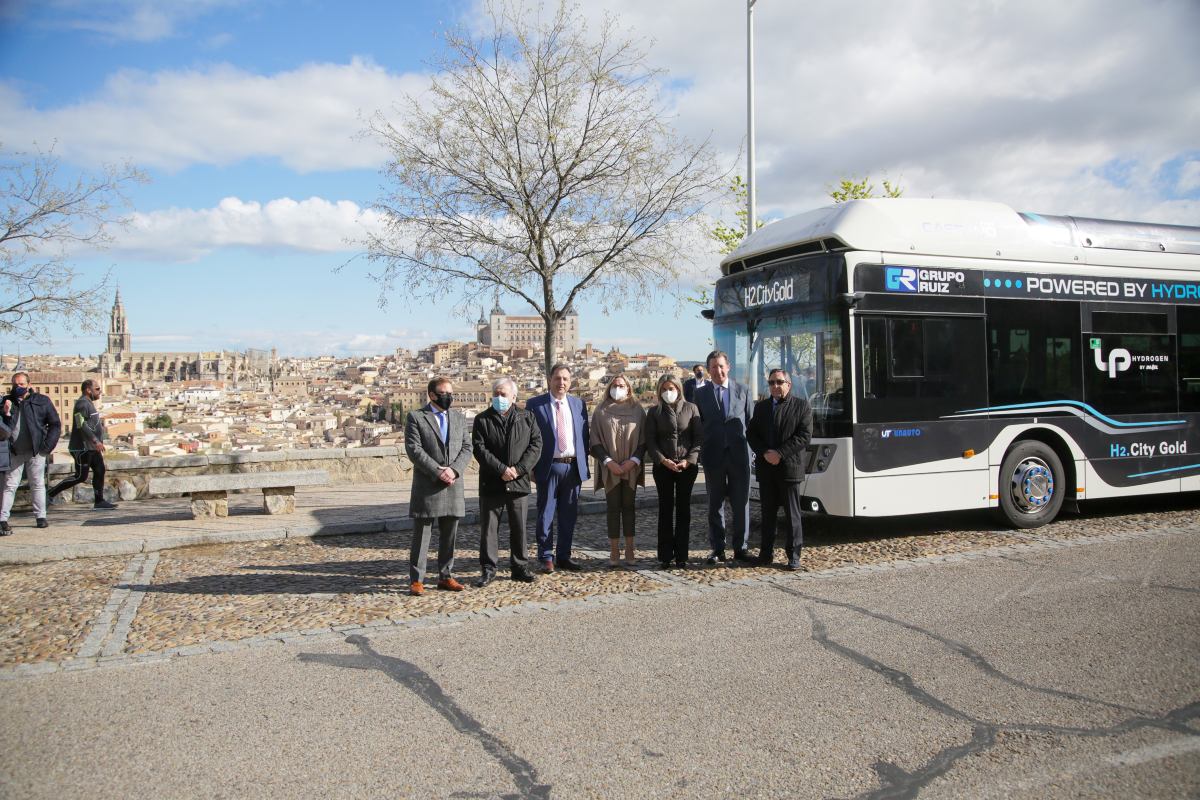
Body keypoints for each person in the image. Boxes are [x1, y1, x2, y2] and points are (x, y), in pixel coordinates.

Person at [404, 376, 472, 596]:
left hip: (453, 483)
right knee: (422, 534)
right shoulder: (416, 417)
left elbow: (467, 447)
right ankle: (417, 579)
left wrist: (454, 470)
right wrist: (438, 471)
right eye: (444, 393)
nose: (449, 397)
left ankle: (446, 576)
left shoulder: (459, 418)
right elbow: (414, 450)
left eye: (451, 393)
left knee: (449, 534)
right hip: (428, 484)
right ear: (432, 395)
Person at [471, 377, 541, 586]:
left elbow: (536, 445)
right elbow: (479, 449)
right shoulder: (482, 419)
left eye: (503, 394)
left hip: (518, 484)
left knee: (518, 527)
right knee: (489, 529)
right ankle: (489, 569)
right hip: (492, 482)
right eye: (496, 394)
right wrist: (501, 470)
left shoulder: (527, 417)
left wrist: (518, 470)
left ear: (514, 396)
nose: (499, 397)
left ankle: (519, 567)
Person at [747, 369, 813, 571]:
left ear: (788, 384)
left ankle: (794, 555)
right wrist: (765, 452)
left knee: (792, 515)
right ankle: (765, 553)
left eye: (779, 382)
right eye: (771, 382)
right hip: (767, 469)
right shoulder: (762, 407)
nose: (775, 386)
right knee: (767, 514)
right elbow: (751, 433)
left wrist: (780, 454)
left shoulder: (801, 406)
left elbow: (803, 436)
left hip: (789, 469)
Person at [526, 363, 590, 572]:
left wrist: (583, 462)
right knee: (545, 514)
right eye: (557, 378)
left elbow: (584, 436)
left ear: (570, 382)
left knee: (568, 515)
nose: (561, 382)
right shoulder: (535, 405)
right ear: (549, 380)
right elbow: (528, 438)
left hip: (572, 467)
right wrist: (530, 469)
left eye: (565, 379)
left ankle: (564, 555)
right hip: (548, 467)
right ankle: (545, 556)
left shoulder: (579, 405)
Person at [692, 351, 753, 565]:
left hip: (740, 457)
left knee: (741, 503)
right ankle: (718, 548)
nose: (717, 371)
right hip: (713, 456)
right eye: (713, 367)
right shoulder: (700, 395)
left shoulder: (743, 390)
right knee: (714, 504)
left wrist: (752, 454)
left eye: (720, 366)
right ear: (708, 371)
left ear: (728, 367)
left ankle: (741, 548)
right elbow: (698, 427)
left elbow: (751, 424)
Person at [645, 374, 702, 568]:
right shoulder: (654, 412)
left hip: (686, 467)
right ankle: (665, 555)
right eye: (664, 389)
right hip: (663, 468)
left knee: (684, 510)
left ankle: (682, 555)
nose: (668, 392)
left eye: (671, 388)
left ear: (678, 389)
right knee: (665, 510)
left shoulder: (691, 409)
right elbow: (650, 441)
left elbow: (698, 439)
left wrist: (689, 461)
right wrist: (662, 460)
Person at [590, 374, 646, 567]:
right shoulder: (601, 410)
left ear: (628, 388)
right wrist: (608, 462)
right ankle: (614, 549)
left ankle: (630, 547)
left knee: (629, 508)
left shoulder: (638, 410)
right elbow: (594, 440)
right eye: (614, 385)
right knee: (613, 508)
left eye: (621, 385)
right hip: (609, 468)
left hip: (631, 466)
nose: (618, 388)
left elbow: (643, 440)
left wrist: (633, 461)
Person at [0, 372, 61, 533]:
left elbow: (55, 424)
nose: (17, 387)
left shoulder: (41, 401)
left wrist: (47, 447)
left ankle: (41, 517)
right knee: (10, 485)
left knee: (38, 484)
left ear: (29, 384)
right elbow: (3, 428)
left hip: (37, 450)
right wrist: (5, 412)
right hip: (15, 451)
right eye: (15, 384)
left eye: (21, 384)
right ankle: (3, 519)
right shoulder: (6, 401)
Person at [48, 379, 118, 510]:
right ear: (88, 390)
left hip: (91, 448)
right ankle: (50, 494)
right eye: (97, 389)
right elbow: (81, 424)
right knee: (81, 476)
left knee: (100, 470)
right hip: (82, 447)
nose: (100, 391)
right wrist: (95, 440)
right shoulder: (82, 404)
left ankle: (99, 501)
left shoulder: (89, 404)